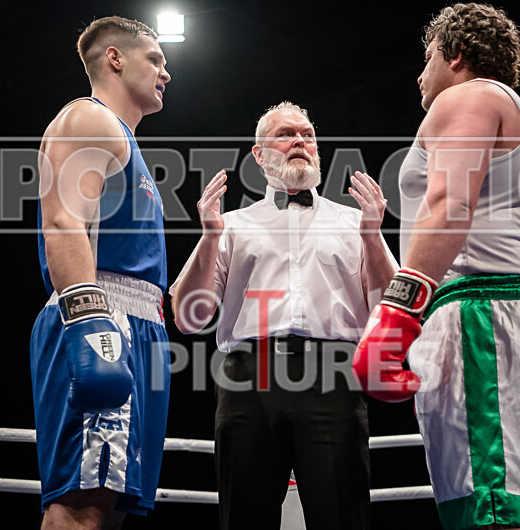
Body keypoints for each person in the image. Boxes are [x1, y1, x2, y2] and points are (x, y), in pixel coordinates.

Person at [353, 3, 520, 530]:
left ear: (457, 54)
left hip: (482, 312)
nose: (420, 75)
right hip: (514, 311)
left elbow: (450, 205)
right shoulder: (512, 113)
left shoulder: (467, 96)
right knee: (514, 495)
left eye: (427, 58)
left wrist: (396, 315)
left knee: (488, 503)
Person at [169, 101, 398, 530]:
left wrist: (372, 235)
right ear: (259, 154)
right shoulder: (230, 224)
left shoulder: (356, 222)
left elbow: (390, 310)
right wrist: (209, 237)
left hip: (333, 375)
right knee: (244, 517)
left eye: (307, 135)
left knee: (343, 515)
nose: (299, 141)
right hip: (247, 377)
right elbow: (187, 317)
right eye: (286, 134)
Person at [30, 16, 172, 529]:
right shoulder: (88, 119)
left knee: (109, 507)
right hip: (100, 316)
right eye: (154, 59)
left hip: (140, 324)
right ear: (115, 58)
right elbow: (63, 222)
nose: (166, 73)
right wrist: (90, 322)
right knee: (80, 505)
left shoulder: (125, 139)